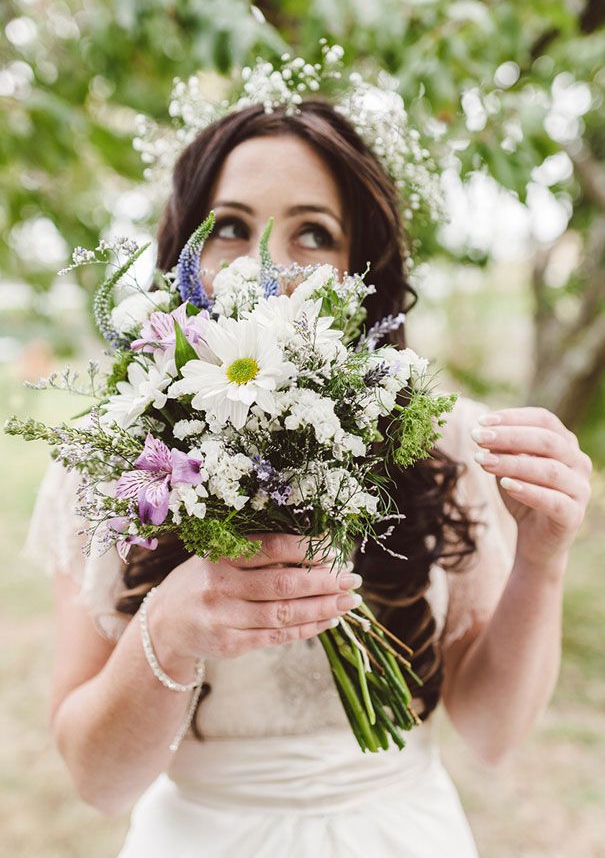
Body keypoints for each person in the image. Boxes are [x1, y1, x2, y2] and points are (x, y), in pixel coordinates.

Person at [28, 97, 592, 858]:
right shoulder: (110, 464)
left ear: (361, 268)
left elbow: (491, 735)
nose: (269, 263)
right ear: (185, 255)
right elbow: (98, 784)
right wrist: (167, 627)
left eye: (314, 233)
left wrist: (541, 560)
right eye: (230, 226)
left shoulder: (444, 442)